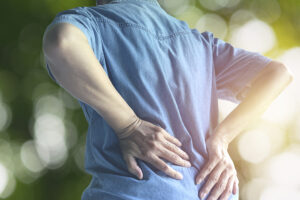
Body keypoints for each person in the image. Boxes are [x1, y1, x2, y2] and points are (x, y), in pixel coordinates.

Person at [42, 0, 294, 199]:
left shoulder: (94, 23)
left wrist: (129, 125)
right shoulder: (199, 44)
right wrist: (222, 139)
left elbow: (61, 43)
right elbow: (277, 74)